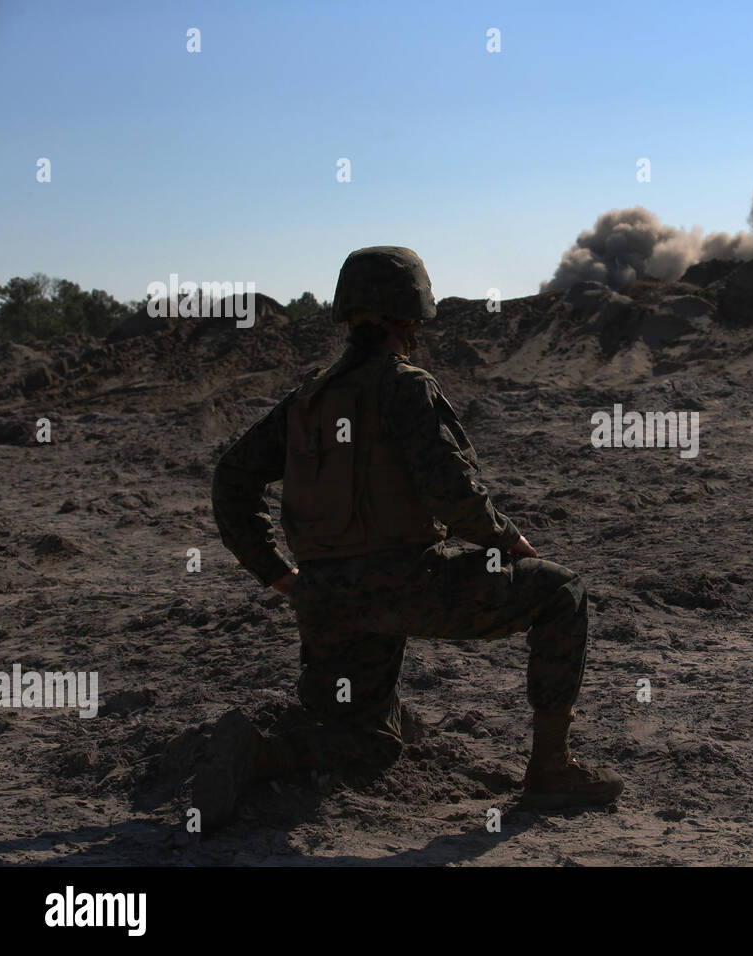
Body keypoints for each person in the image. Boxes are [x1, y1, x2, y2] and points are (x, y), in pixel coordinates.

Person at [200, 246, 622, 828]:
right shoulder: (404, 388)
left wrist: (278, 574)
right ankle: (551, 770)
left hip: (323, 601)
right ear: (411, 317)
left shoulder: (305, 402)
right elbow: (450, 491)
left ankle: (266, 754)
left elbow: (231, 478)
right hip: (407, 584)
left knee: (369, 742)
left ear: (348, 314)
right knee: (561, 593)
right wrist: (509, 542)